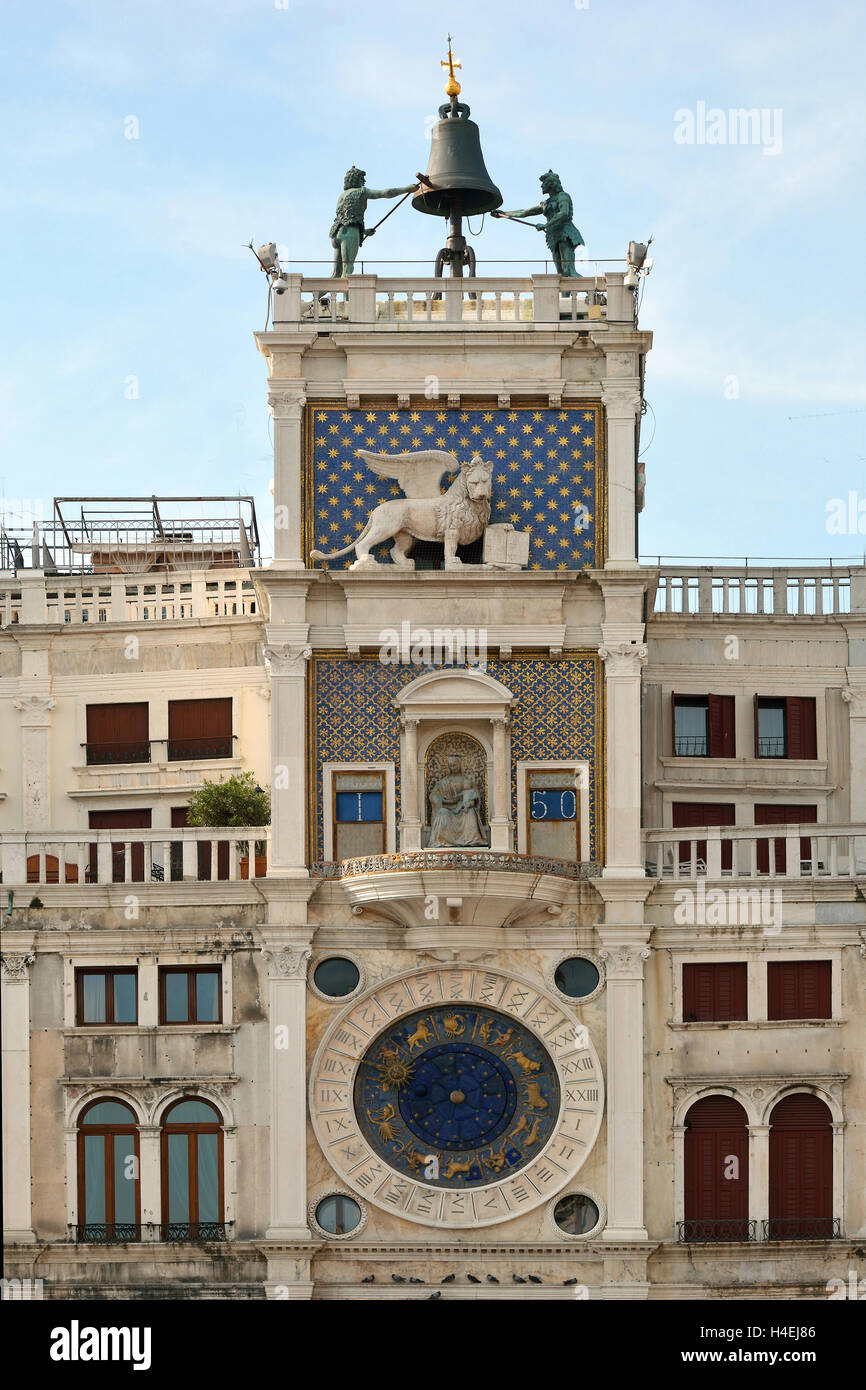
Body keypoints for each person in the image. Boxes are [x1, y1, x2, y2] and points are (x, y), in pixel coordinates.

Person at [493, 170, 584, 277]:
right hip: (553, 235)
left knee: (568, 270)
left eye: (543, 183)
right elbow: (525, 212)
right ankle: (564, 294)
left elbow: (564, 213)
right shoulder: (546, 203)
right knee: (561, 274)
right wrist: (505, 213)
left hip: (565, 233)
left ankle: (593, 292)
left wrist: (546, 225)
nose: (541, 186)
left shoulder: (563, 196)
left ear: (550, 184)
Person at [330, 167, 418, 277]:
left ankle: (318, 294)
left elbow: (345, 218)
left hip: (336, 233)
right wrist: (407, 189)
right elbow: (386, 193)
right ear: (357, 180)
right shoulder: (362, 191)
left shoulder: (342, 196)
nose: (364, 182)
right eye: (362, 179)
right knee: (347, 271)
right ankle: (347, 295)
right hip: (350, 231)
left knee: (335, 274)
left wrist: (364, 231)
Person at [427, 755, 487, 848]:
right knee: (442, 813)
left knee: (470, 812)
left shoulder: (467, 781)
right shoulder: (443, 782)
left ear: (460, 765)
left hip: (464, 809)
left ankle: (472, 840)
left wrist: (467, 803)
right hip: (447, 808)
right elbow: (433, 796)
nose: (452, 768)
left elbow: (474, 799)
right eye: (450, 765)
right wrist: (443, 801)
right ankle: (444, 841)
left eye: (454, 765)